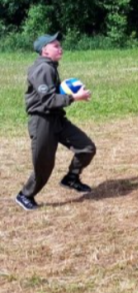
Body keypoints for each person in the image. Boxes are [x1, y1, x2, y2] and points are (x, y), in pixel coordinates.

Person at [15, 33, 96, 211]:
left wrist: (66, 90)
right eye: (56, 46)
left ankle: (71, 178)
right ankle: (25, 195)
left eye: (60, 45)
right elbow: (48, 100)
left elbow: (52, 96)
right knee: (44, 165)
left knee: (86, 147)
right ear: (44, 51)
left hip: (56, 118)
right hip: (42, 121)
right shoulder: (43, 68)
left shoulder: (50, 67)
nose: (60, 49)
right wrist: (74, 97)